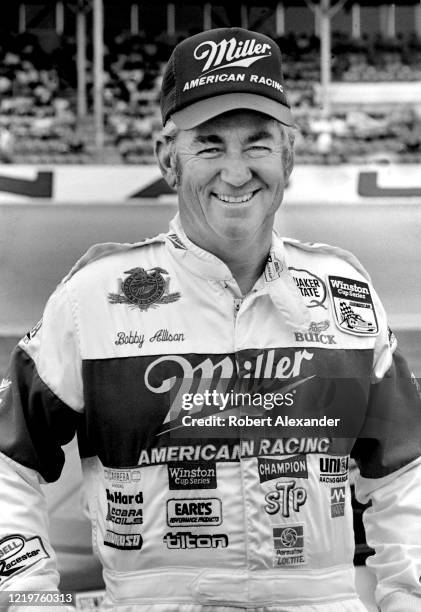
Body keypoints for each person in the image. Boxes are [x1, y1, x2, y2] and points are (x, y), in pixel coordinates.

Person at [0, 27, 420, 612]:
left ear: (289, 156)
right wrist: (26, 597)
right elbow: (5, 463)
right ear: (168, 158)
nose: (236, 171)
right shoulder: (93, 296)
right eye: (210, 144)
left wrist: (409, 598)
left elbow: (406, 473)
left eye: (257, 144)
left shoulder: (344, 290)